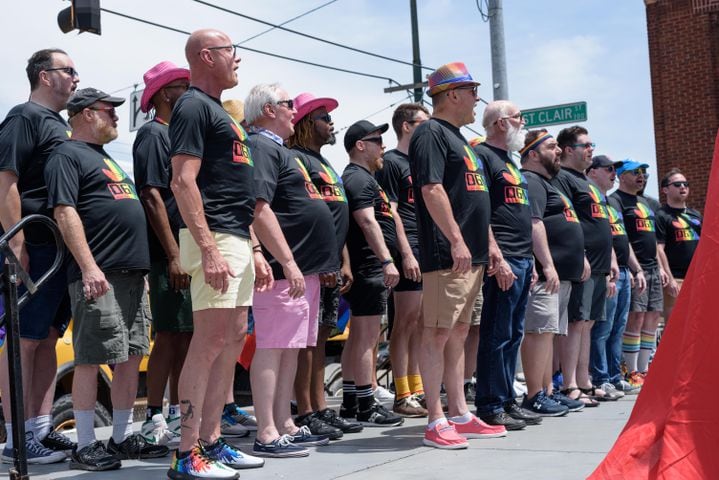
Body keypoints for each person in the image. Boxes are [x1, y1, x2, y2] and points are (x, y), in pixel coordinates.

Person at [45, 87, 169, 470]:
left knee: (131, 356)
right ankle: (85, 445)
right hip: (100, 274)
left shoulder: (104, 158)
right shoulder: (66, 154)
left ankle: (118, 437)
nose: (116, 116)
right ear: (84, 114)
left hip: (131, 275)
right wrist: (88, 266)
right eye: (107, 110)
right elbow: (65, 212)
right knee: (91, 357)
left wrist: (142, 271)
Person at [169, 29, 267, 479]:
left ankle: (211, 442)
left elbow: (238, 190)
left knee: (231, 340)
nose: (237, 59)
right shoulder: (191, 106)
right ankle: (186, 455)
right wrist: (209, 250)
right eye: (230, 51)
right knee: (208, 342)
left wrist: (257, 248)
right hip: (215, 238)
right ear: (206, 56)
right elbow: (182, 182)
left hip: (236, 237)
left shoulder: (218, 112)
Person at [410, 62, 506, 449]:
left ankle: (460, 413)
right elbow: (432, 189)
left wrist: (491, 247)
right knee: (436, 331)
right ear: (451, 95)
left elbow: (474, 201)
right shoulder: (431, 133)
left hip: (473, 255)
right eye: (471, 91)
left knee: (460, 332)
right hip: (448, 254)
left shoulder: (463, 142)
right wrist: (455, 239)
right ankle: (435, 419)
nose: (476, 98)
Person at [246, 83, 337, 457]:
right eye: (287, 105)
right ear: (268, 109)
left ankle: (284, 422)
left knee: (291, 349)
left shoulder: (279, 149)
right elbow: (259, 206)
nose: (293, 112)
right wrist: (285, 260)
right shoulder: (261, 146)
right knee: (273, 347)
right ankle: (266, 430)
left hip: (304, 269)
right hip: (284, 270)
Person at [0, 48, 79, 464]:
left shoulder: (61, 126)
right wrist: (17, 244)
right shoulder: (23, 117)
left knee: (47, 338)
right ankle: (15, 441)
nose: (76, 79)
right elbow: (5, 179)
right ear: (45, 77)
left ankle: (39, 430)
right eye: (69, 71)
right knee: (23, 342)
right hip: (33, 246)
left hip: (59, 251)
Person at [286, 92, 363, 436]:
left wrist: (343, 260)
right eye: (324, 117)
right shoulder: (295, 159)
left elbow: (336, 216)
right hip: (308, 264)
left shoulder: (325, 163)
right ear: (306, 123)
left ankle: (319, 405)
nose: (331, 124)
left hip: (331, 263)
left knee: (320, 339)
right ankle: (304, 409)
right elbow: (301, 217)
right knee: (304, 341)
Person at [132, 60, 192, 447]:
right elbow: (152, 196)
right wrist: (173, 255)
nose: (189, 90)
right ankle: (153, 415)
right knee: (169, 334)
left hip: (189, 248)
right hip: (168, 252)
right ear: (166, 93)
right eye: (183, 85)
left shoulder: (178, 133)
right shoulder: (154, 134)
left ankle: (175, 409)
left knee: (188, 334)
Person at [472, 100, 541, 429]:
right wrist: (495, 256)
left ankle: (507, 399)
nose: (522, 122)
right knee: (496, 333)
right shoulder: (483, 157)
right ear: (501, 123)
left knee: (513, 334)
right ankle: (490, 403)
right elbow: (480, 211)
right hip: (503, 258)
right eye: (518, 117)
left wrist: (532, 260)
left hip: (523, 259)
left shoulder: (510, 162)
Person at [340, 120, 403, 428]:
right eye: (377, 140)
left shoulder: (366, 178)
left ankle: (352, 400)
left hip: (367, 266)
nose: (383, 146)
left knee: (359, 337)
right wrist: (387, 260)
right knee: (366, 338)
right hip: (368, 266)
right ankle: (367, 403)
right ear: (360, 146)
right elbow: (367, 222)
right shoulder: (358, 179)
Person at [518, 129, 585, 416]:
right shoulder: (532, 181)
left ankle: (547, 391)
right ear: (533, 154)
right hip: (547, 276)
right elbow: (534, 223)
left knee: (549, 333)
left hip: (561, 276)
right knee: (539, 332)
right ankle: (534, 395)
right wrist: (546, 264)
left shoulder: (549, 183)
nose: (558, 151)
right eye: (551, 147)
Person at [552, 126, 617, 406]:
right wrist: (581, 256)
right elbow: (569, 222)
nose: (591, 149)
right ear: (568, 150)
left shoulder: (590, 184)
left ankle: (585, 381)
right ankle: (569, 385)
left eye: (592, 144)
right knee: (576, 322)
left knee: (588, 323)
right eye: (586, 145)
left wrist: (612, 259)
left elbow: (602, 224)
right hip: (583, 264)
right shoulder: (563, 179)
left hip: (602, 264)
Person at [375, 103, 430, 418]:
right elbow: (392, 211)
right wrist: (405, 252)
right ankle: (402, 393)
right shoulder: (392, 163)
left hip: (427, 246)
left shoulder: (421, 162)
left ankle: (418, 388)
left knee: (423, 323)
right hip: (406, 245)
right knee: (404, 322)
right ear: (407, 126)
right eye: (423, 121)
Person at [588, 156, 644, 395]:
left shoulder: (610, 204)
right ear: (592, 173)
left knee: (617, 329)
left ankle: (615, 375)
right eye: (609, 169)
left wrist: (637, 269)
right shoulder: (592, 201)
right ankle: (601, 378)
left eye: (615, 169)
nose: (614, 173)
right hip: (607, 272)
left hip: (624, 273)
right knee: (602, 328)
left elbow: (624, 240)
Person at [612, 160, 666, 386]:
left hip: (653, 269)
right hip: (636, 270)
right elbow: (622, 237)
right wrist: (637, 269)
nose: (641, 176)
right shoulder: (616, 200)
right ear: (621, 176)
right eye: (635, 172)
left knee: (653, 317)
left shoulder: (645, 202)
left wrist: (661, 267)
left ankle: (644, 370)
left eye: (643, 172)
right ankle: (631, 370)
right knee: (635, 318)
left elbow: (652, 238)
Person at [656, 168, 700, 324]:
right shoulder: (661, 215)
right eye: (677, 184)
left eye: (685, 184)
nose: (683, 187)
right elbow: (658, 248)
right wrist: (670, 278)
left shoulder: (696, 215)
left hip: (697, 278)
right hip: (677, 278)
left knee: (697, 324)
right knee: (676, 324)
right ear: (665, 189)